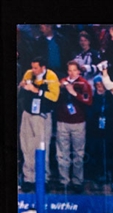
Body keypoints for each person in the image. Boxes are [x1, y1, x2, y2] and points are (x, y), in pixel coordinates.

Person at [18, 56, 60, 192]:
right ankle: (29, 178)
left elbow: (54, 96)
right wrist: (22, 86)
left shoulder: (52, 76)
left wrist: (38, 91)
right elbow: (22, 87)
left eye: (36, 68)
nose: (33, 70)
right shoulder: (28, 73)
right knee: (27, 147)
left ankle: (43, 179)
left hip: (42, 116)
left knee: (42, 147)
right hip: (27, 114)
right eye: (32, 67)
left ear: (43, 67)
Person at [54, 60, 93, 193]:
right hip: (62, 122)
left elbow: (88, 101)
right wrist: (62, 86)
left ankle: (77, 181)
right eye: (69, 70)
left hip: (78, 123)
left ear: (78, 71)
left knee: (78, 154)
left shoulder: (84, 84)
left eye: (74, 70)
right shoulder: (62, 82)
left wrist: (74, 93)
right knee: (62, 153)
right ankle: (64, 180)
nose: (71, 73)